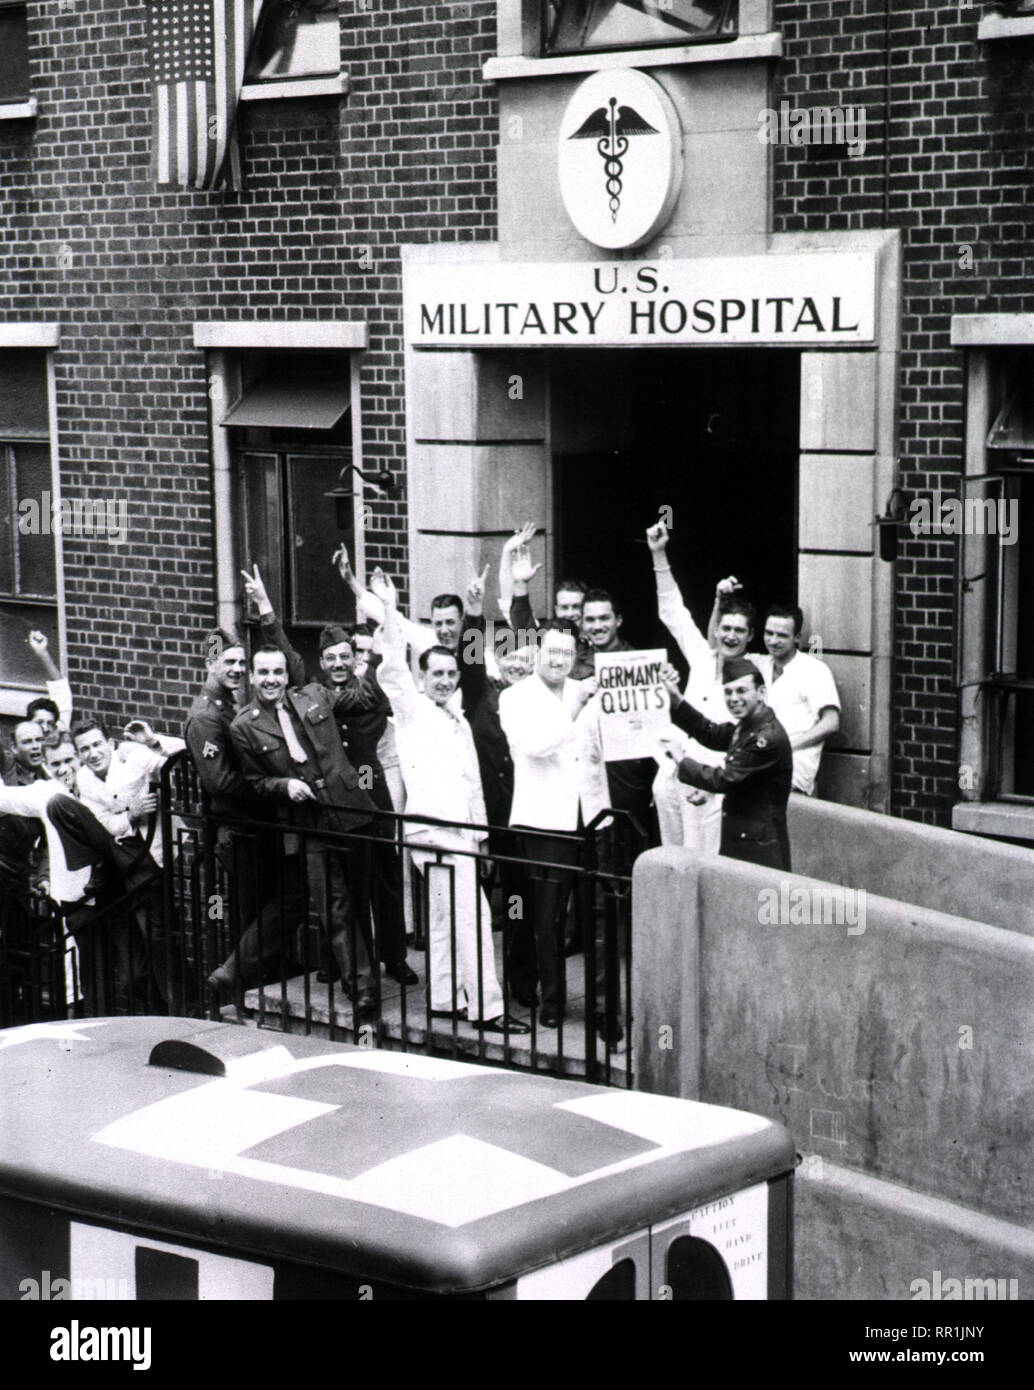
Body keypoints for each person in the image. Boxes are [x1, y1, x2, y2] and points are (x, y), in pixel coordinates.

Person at [373, 569, 528, 1035]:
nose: (442, 680)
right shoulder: (413, 710)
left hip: (459, 834)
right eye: (435, 674)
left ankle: (443, 998)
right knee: (474, 916)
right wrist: (388, 607)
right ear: (422, 678)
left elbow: (472, 786)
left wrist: (481, 840)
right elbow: (393, 670)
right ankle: (488, 1009)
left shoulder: (458, 720)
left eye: (449, 673)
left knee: (444, 916)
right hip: (431, 831)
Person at [230, 646, 380, 1021]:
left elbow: (365, 697)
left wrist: (376, 659)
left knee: (360, 896)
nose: (271, 680)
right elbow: (254, 782)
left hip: (349, 810)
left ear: (286, 675)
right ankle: (362, 989)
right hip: (307, 821)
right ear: (252, 676)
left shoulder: (314, 694)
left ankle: (359, 972)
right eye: (263, 672)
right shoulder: (243, 726)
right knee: (334, 902)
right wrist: (283, 786)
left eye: (277, 672)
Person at [185, 567, 307, 1000]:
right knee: (259, 908)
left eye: (241, 663)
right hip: (240, 831)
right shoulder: (206, 715)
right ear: (209, 663)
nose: (237, 669)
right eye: (229, 663)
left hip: (258, 828)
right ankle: (235, 981)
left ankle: (259, 972)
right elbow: (218, 781)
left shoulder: (227, 706)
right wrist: (267, 782)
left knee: (275, 902)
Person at [498, 619, 599, 1028]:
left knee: (593, 915)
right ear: (537, 652)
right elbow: (535, 746)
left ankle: (598, 1006)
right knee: (547, 919)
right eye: (551, 651)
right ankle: (552, 1002)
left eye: (566, 653)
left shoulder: (584, 688)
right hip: (543, 823)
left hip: (590, 816)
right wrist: (573, 709)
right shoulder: (515, 696)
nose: (559, 660)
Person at [646, 519, 761, 853]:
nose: (730, 636)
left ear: (750, 636)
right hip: (671, 775)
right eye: (725, 628)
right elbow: (672, 611)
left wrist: (713, 781)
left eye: (739, 631)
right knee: (671, 860)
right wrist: (659, 553)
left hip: (711, 784)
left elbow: (747, 738)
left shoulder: (754, 676)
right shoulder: (700, 657)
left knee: (703, 865)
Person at [315, 618, 417, 987]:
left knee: (385, 878)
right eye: (331, 658)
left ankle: (395, 956)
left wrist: (377, 648)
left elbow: (378, 689)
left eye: (346, 655)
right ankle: (346, 963)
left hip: (373, 792)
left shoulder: (368, 690)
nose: (339, 663)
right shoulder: (315, 695)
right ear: (322, 663)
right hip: (339, 801)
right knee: (348, 883)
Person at [660, 657, 793, 871]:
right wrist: (676, 700)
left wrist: (680, 759)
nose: (734, 698)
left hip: (759, 852)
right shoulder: (748, 727)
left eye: (741, 691)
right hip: (744, 843)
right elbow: (711, 732)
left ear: (761, 693)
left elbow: (725, 779)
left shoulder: (766, 737)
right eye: (728, 692)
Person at [755, 604, 841, 797]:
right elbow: (715, 649)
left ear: (797, 638)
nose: (773, 640)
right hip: (759, 767)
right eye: (769, 633)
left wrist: (788, 747)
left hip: (792, 774)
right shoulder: (759, 664)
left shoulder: (814, 670)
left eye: (782, 635)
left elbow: (831, 722)